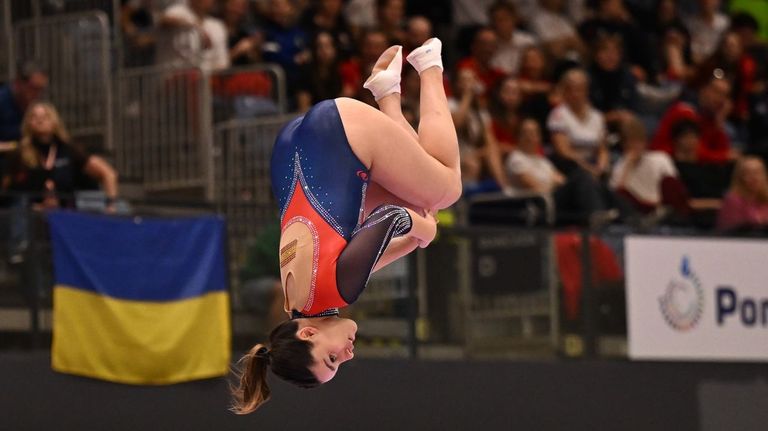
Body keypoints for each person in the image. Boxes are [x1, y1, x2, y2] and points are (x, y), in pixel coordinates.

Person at [231, 38, 461, 413]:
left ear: (308, 335)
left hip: (340, 136)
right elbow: (365, 260)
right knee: (410, 195)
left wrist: (425, 231)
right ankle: (386, 89)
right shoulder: (299, 303)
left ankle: (429, 65)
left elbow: (391, 220)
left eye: (332, 359)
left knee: (443, 192)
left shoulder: (337, 293)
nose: (348, 355)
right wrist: (413, 242)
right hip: (294, 150)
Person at [2, 102, 119, 211]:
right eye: (34, 117)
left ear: (54, 121)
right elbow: (7, 191)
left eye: (45, 116)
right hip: (29, 215)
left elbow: (108, 174)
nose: (39, 120)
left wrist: (111, 206)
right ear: (28, 123)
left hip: (64, 214)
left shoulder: (69, 149)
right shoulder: (20, 153)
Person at [546, 68, 609, 178]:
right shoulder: (558, 115)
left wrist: (601, 167)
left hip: (593, 164)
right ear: (565, 92)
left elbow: (602, 150)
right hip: (570, 166)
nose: (575, 94)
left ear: (586, 91)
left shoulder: (597, 117)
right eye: (571, 90)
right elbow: (564, 151)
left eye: (579, 89)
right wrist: (588, 169)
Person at [717, 156, 768, 232]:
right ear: (740, 177)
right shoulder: (732, 201)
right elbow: (733, 230)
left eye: (757, 172)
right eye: (748, 173)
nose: (753, 177)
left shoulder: (765, 199)